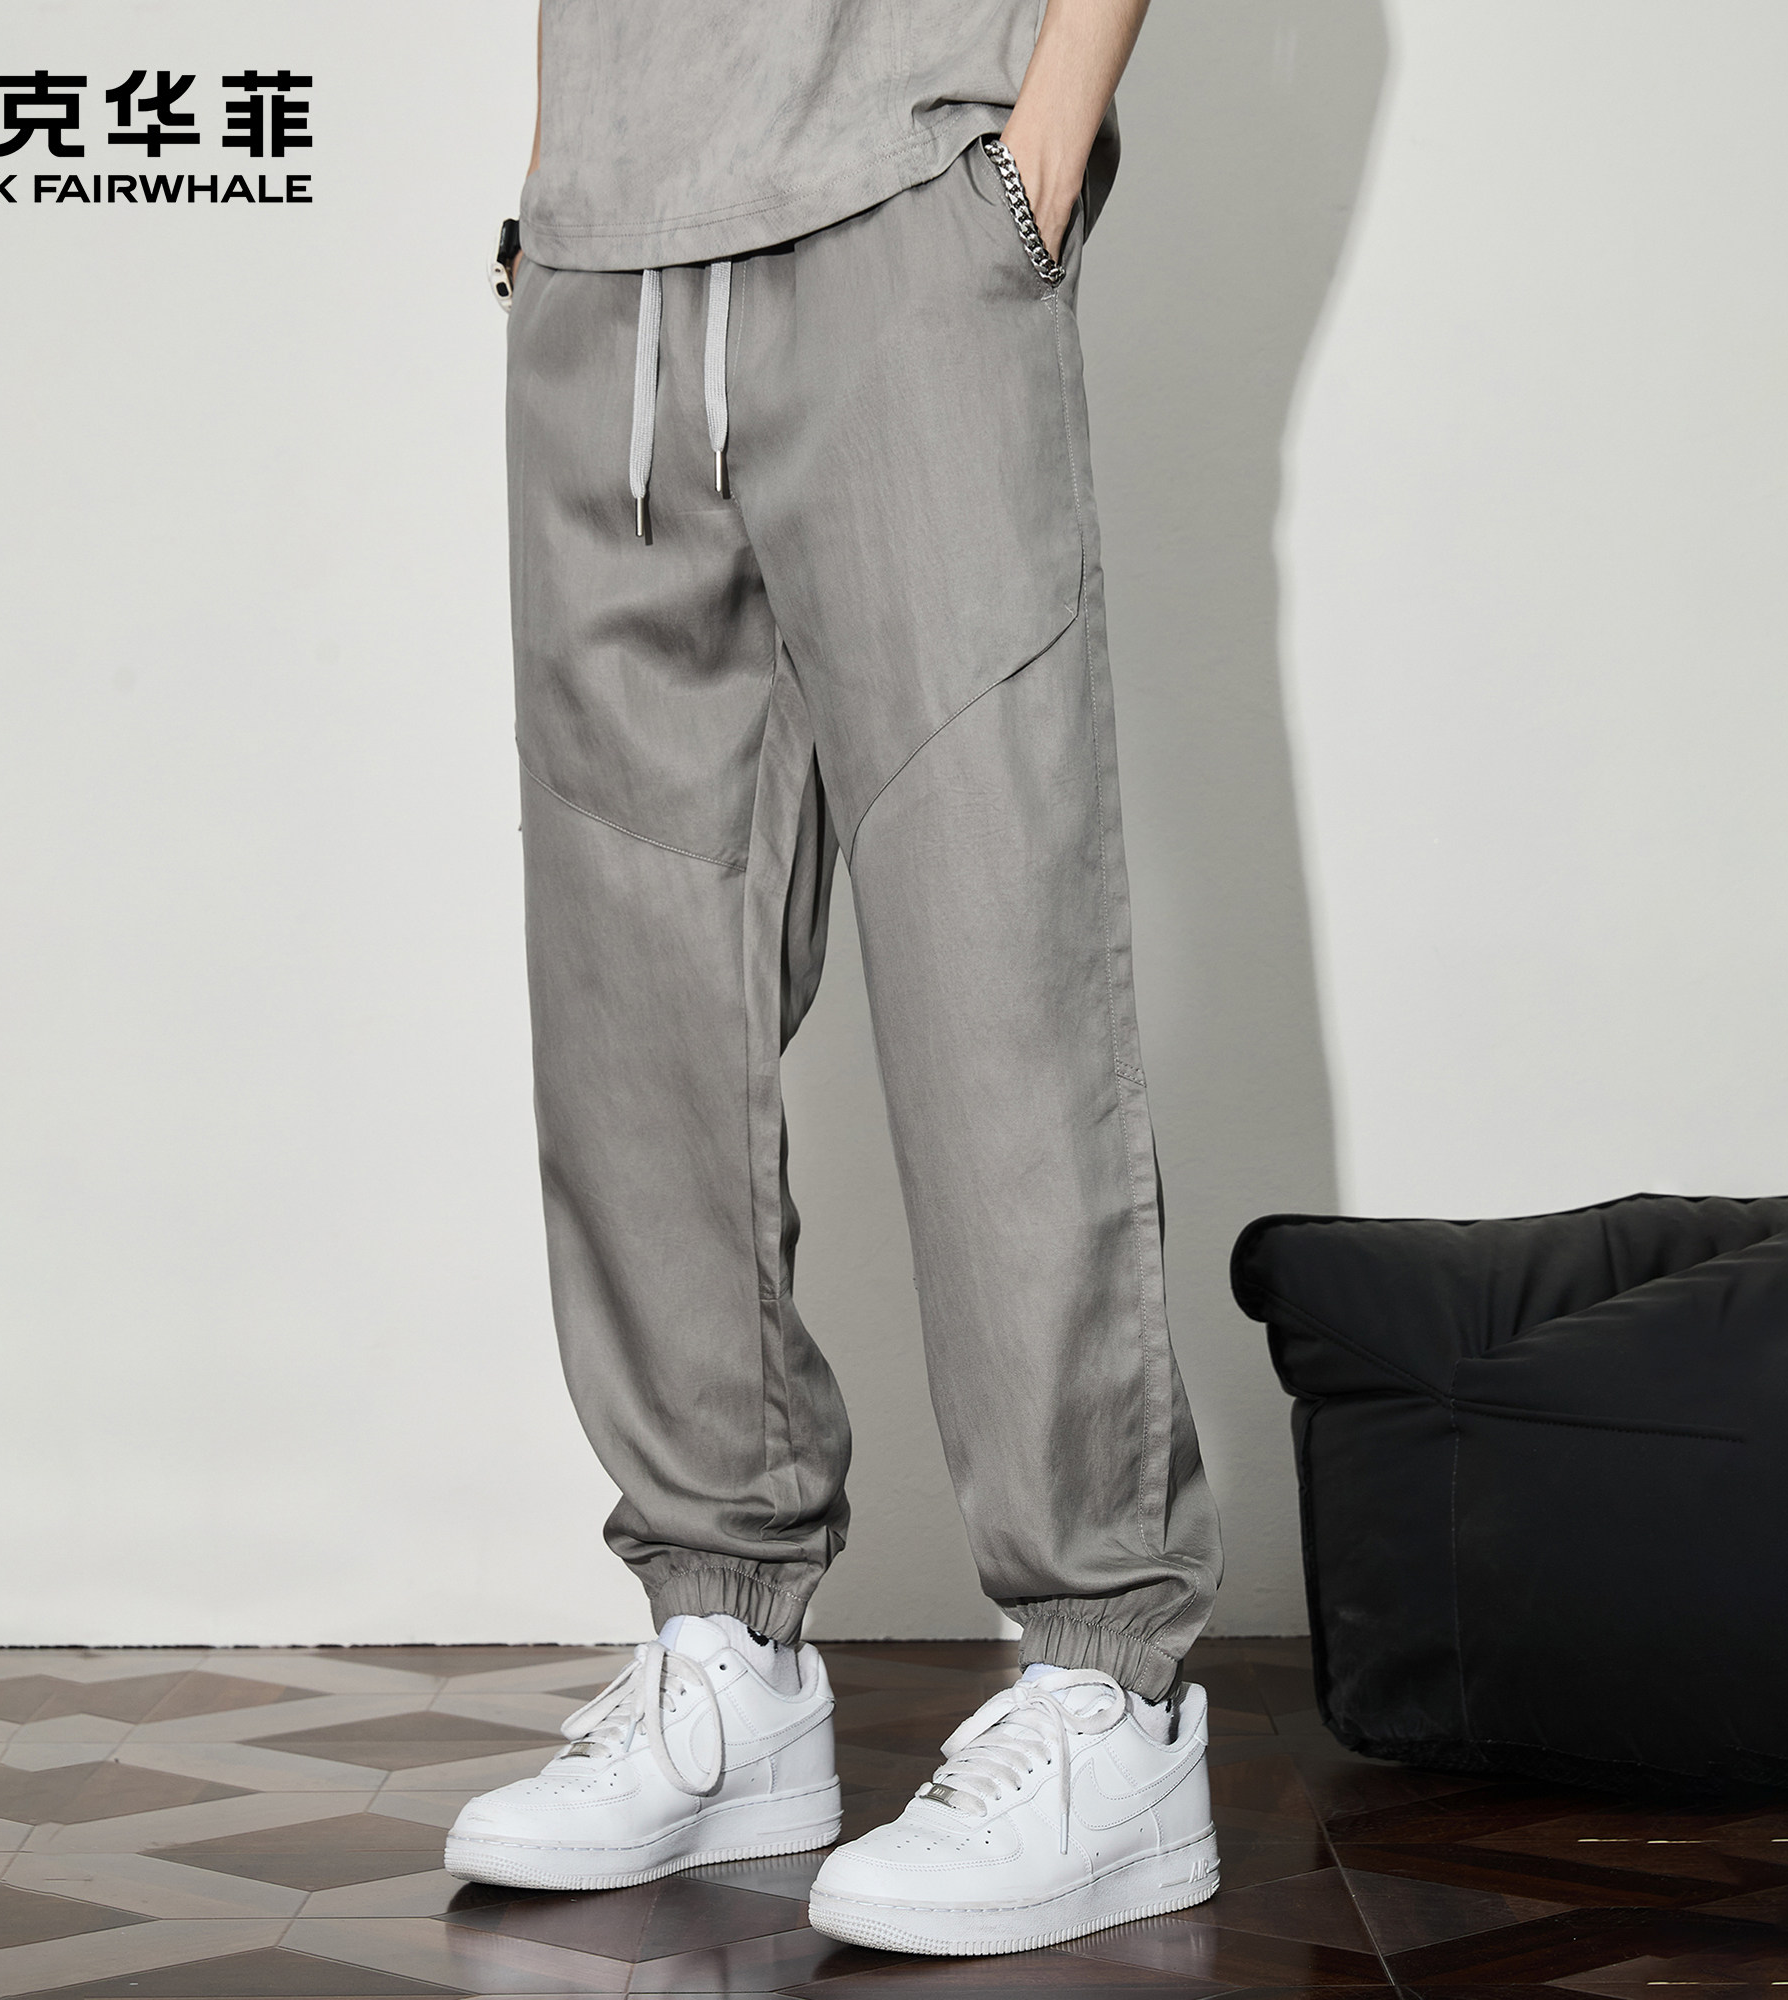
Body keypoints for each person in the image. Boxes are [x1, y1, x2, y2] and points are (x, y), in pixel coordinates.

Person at [445, 0, 1225, 1956]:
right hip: (608, 253)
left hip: (910, 201)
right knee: (633, 1001)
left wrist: (1039, 156)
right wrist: (557, 179)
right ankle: (723, 1652)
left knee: (996, 966)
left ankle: (1108, 1685)